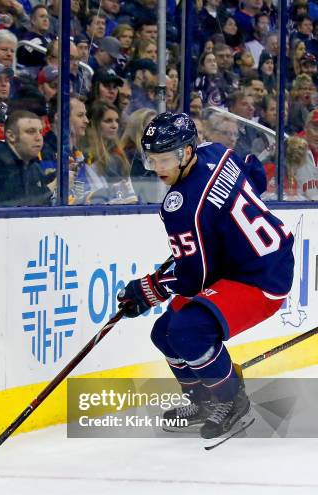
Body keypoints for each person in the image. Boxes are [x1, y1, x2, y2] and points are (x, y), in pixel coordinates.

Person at [117, 112, 294, 439]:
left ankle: (230, 400)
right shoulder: (216, 152)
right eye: (151, 159)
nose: (157, 168)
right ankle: (202, 400)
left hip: (260, 277)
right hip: (248, 262)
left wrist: (150, 289)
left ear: (185, 153)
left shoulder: (180, 204)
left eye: (165, 159)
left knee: (188, 332)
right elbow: (255, 174)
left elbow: (193, 280)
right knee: (164, 333)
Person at [0, 110, 53, 205]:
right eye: (31, 131)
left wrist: (62, 174)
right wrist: (52, 187)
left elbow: (37, 185)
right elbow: (17, 202)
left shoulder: (32, 164)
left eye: (40, 132)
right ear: (11, 136)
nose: (39, 138)